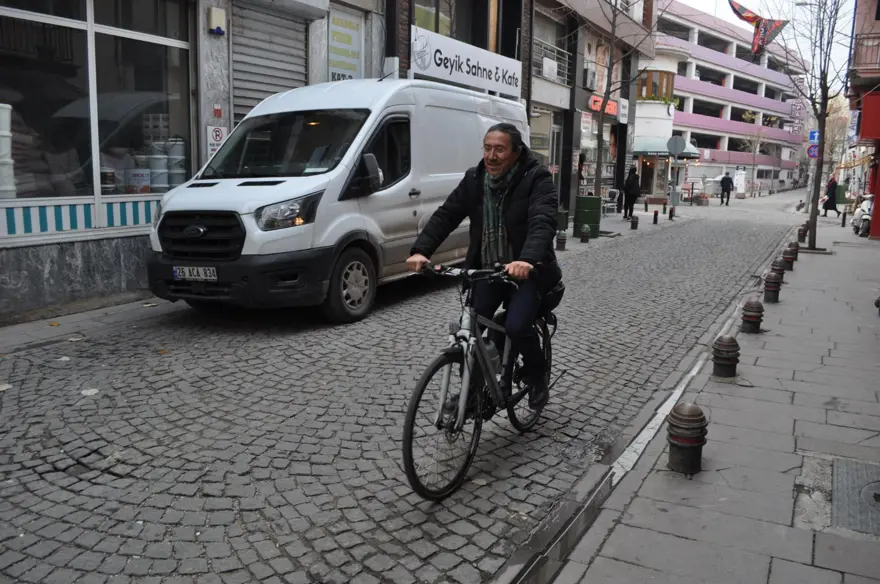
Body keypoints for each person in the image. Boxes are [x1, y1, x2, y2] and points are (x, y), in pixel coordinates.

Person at [406, 123, 562, 410]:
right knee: (472, 329)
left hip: (527, 272)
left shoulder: (536, 178)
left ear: (516, 152)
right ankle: (472, 392)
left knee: (516, 326)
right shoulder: (475, 179)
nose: (491, 156)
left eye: (499, 149)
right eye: (487, 148)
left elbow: (543, 221)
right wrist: (421, 250)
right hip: (488, 270)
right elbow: (447, 214)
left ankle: (536, 375)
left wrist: (527, 260)